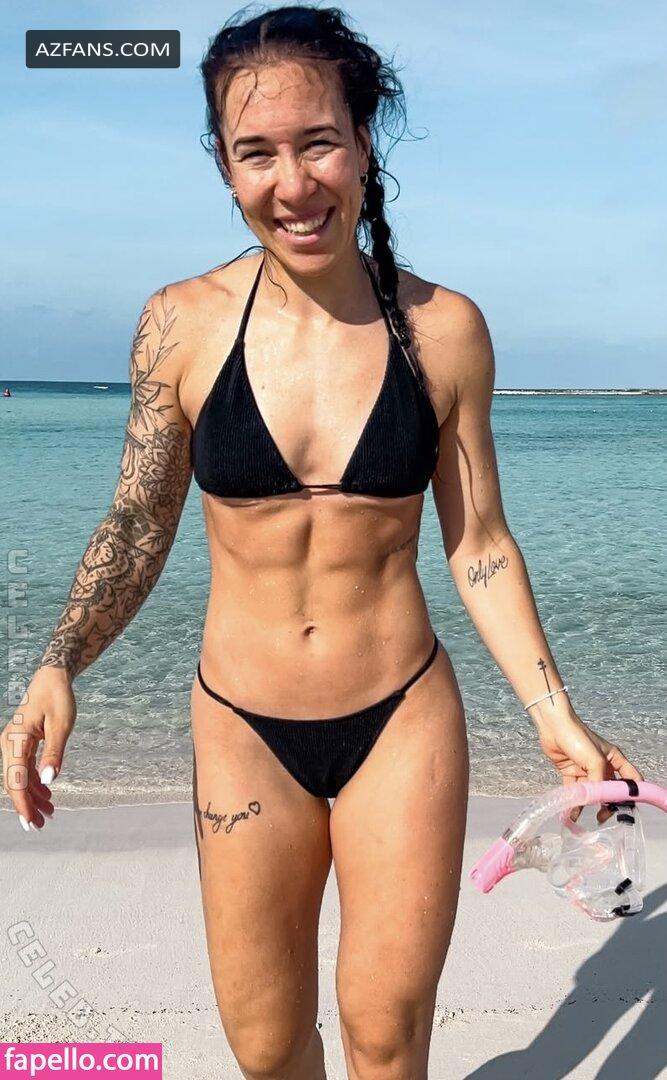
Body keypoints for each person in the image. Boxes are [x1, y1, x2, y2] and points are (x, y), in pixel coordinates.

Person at [1, 6, 644, 1079]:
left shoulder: (444, 329)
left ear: (363, 142)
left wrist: (552, 713)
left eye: (318, 143)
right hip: (241, 723)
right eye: (257, 152)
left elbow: (479, 542)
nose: (293, 184)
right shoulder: (181, 324)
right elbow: (138, 520)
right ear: (224, 166)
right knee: (264, 1047)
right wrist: (60, 661)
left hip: (401, 717)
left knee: (385, 1038)